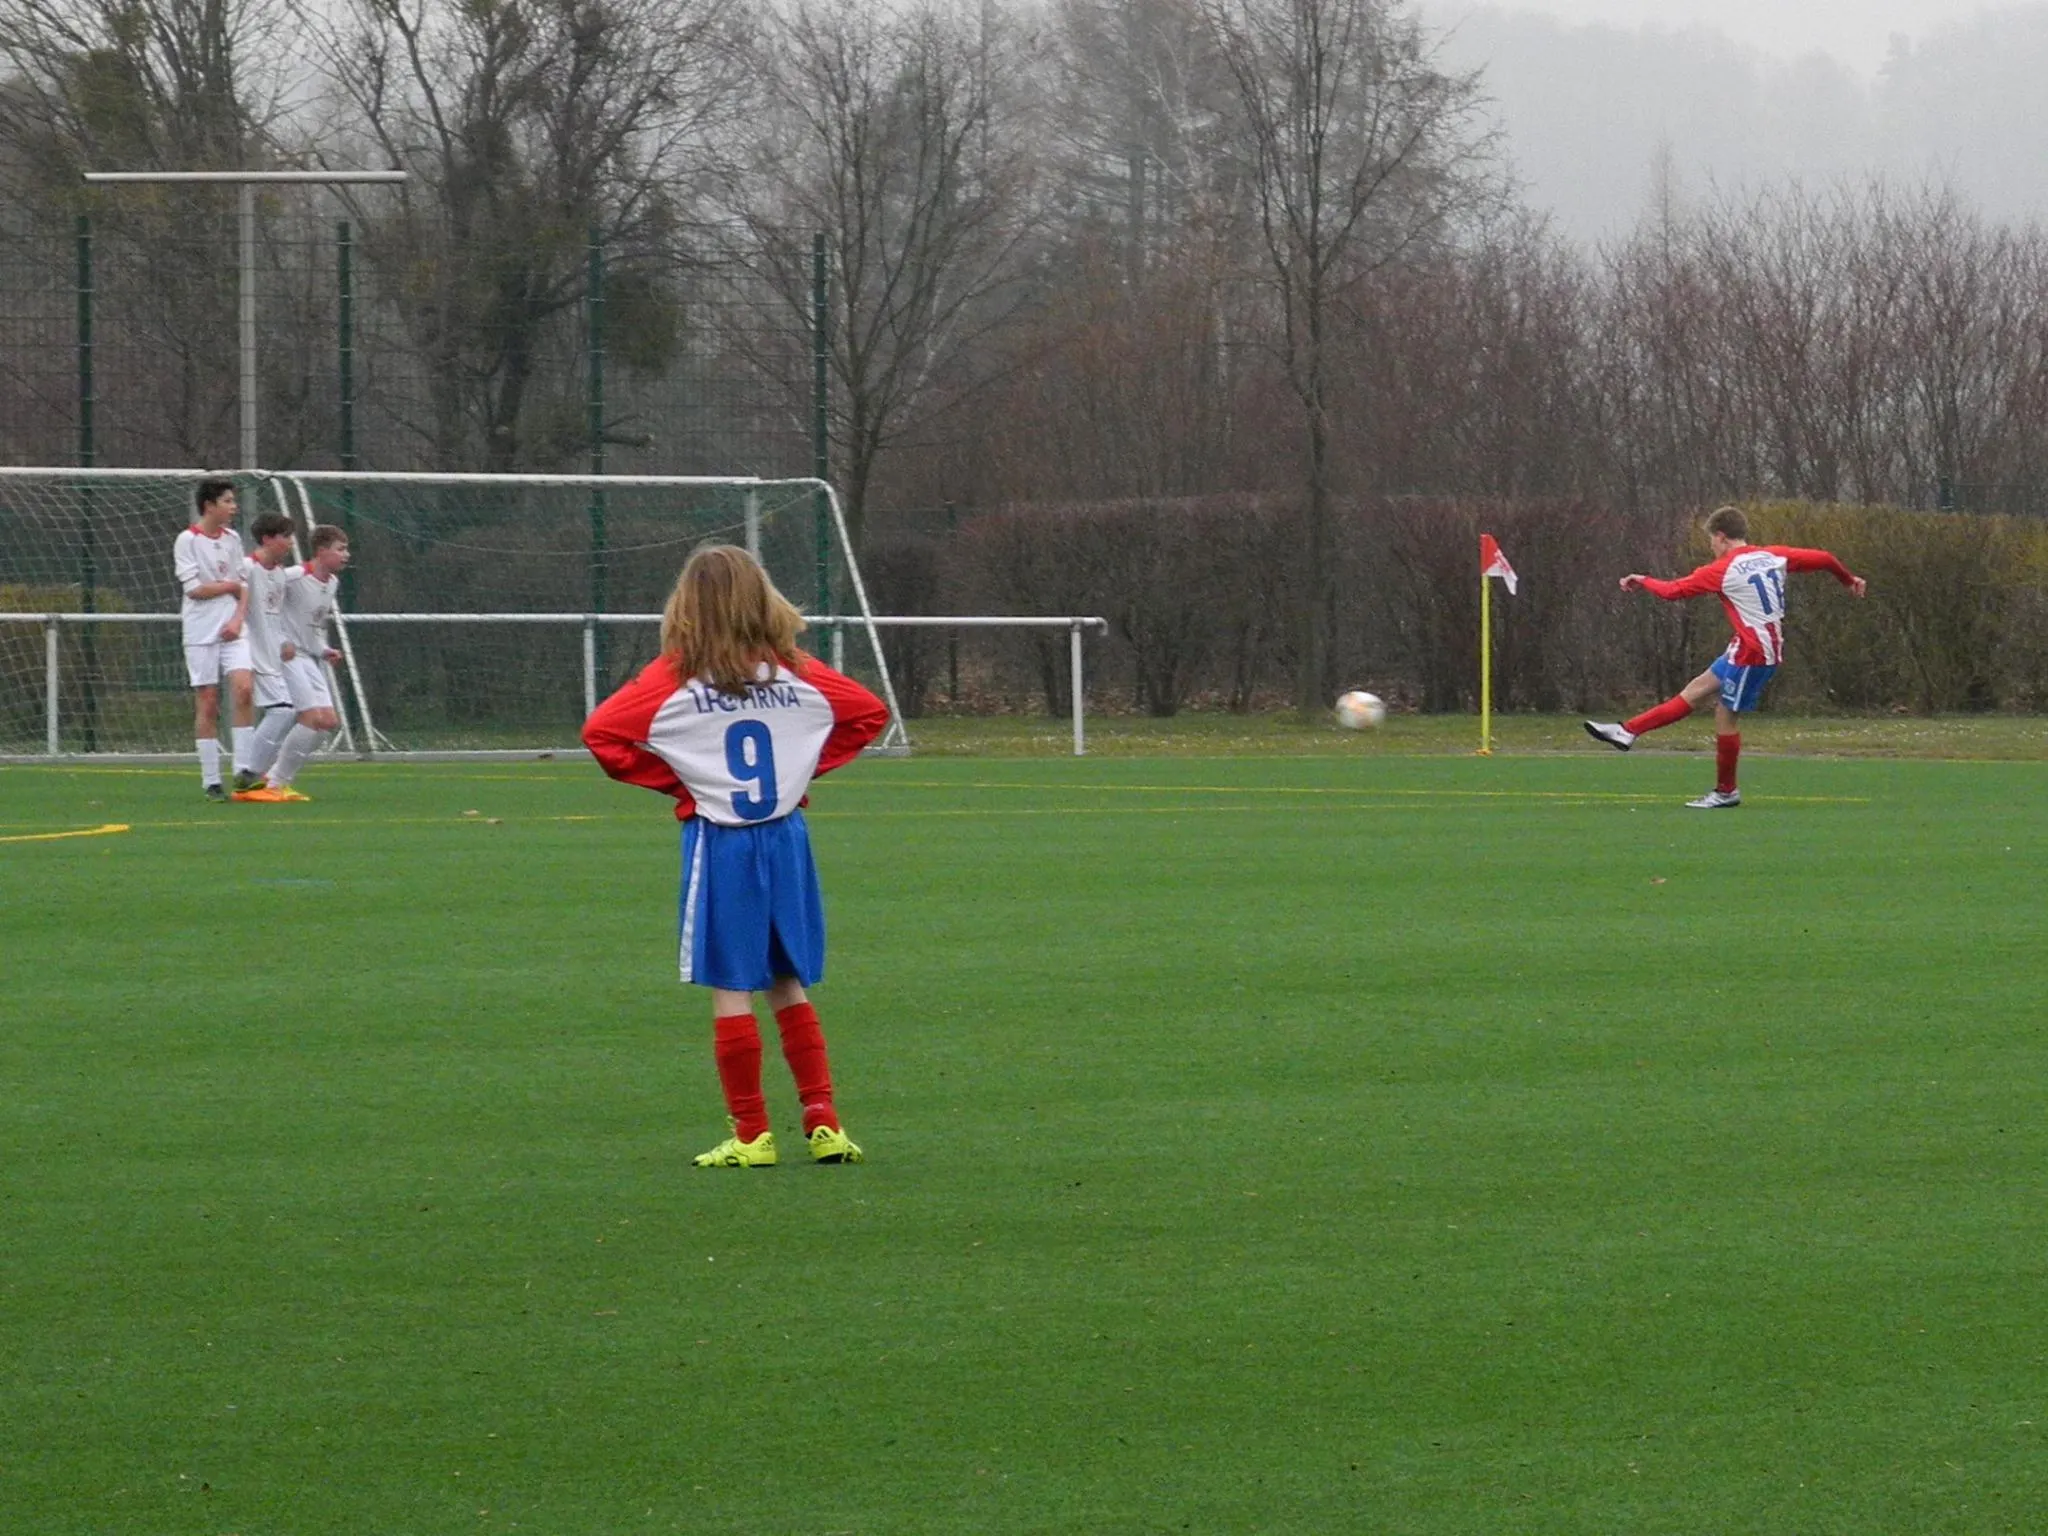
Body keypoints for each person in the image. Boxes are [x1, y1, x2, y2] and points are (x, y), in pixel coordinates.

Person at [581, 545, 889, 1169]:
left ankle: (752, 1135)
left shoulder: (674, 675)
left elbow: (603, 734)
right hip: (785, 836)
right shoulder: (793, 669)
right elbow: (867, 715)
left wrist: (682, 784)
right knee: (786, 979)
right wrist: (798, 774)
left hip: (721, 839)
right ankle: (824, 1123)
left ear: (686, 606)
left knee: (730, 985)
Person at [1585, 505, 1866, 807]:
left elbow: (1672, 591)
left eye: (1711, 540)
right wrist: (1848, 579)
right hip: (1745, 646)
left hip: (1755, 653)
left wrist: (1643, 580)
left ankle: (1726, 791)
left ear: (1721, 537)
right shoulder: (1772, 555)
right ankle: (1627, 731)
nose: (1712, 547)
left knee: (1725, 715)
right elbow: (1824, 558)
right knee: (1696, 690)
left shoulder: (1722, 570)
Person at [240, 525, 350, 803]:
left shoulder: (332, 583)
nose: (346, 555)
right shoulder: (294, 576)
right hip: (286, 657)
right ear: (321, 551)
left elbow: (312, 627)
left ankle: (274, 779)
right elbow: (265, 603)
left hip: (308, 657)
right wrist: (278, 641)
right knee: (309, 717)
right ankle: (272, 781)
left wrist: (324, 650)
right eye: (340, 549)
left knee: (327, 721)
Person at [172, 479, 254, 800]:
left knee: (244, 689)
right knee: (208, 703)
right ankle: (211, 781)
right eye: (228, 501)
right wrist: (228, 586)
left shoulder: (233, 539)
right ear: (209, 505)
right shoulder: (187, 540)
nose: (234, 507)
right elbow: (194, 589)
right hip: (201, 632)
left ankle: (243, 770)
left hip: (233, 630)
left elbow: (242, 586)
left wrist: (237, 619)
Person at [232, 510, 302, 794]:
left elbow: (276, 614)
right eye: (285, 536)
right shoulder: (247, 568)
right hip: (250, 652)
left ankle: (252, 772)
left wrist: (284, 640)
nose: (291, 542)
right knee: (282, 711)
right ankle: (248, 769)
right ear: (267, 539)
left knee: (285, 712)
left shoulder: (280, 574)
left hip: (272, 654)